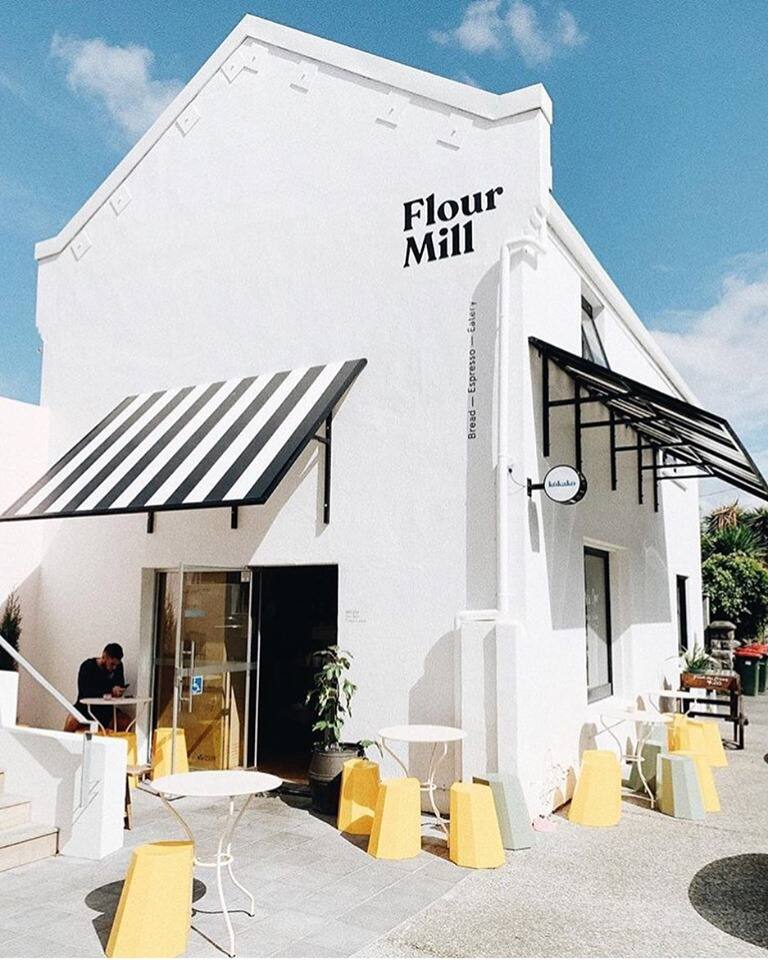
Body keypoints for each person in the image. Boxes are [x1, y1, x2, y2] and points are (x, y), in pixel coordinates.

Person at [64, 643, 131, 732]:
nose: (114, 668)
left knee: (125, 722)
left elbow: (119, 683)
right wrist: (110, 690)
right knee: (71, 721)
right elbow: (85, 692)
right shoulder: (87, 666)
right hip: (86, 708)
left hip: (107, 710)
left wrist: (119, 690)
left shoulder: (118, 668)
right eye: (112, 664)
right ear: (104, 656)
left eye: (116, 665)